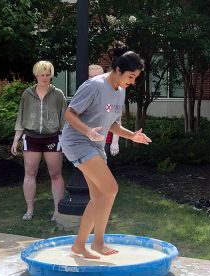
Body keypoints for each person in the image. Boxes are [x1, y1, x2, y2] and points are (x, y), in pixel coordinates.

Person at [61, 46, 151, 259]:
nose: (132, 81)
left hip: (95, 144)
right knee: (110, 188)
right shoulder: (94, 86)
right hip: (77, 141)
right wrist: (87, 131)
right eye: (131, 76)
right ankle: (98, 242)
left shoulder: (120, 91)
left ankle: (80, 245)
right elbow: (69, 113)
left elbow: (112, 125)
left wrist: (131, 136)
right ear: (118, 70)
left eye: (135, 78)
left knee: (100, 195)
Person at [11, 60, 67, 221]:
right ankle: (29, 210)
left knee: (55, 174)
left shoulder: (58, 94)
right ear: (36, 75)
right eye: (42, 75)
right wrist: (16, 140)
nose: (44, 78)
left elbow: (64, 118)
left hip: (53, 137)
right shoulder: (27, 94)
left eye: (47, 75)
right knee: (30, 173)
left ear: (51, 75)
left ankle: (57, 211)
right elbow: (21, 118)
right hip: (31, 137)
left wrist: (65, 138)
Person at [89, 64, 120, 158]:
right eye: (93, 77)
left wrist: (115, 142)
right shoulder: (83, 95)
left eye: (99, 77)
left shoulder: (111, 96)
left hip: (105, 141)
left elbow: (117, 120)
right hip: (85, 143)